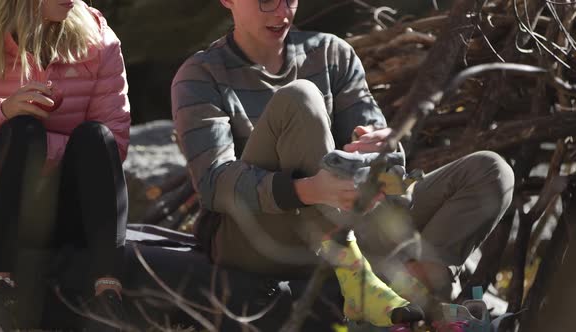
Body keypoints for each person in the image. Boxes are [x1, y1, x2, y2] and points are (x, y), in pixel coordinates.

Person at [171, 0, 515, 328]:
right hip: (255, 234)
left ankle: (422, 295)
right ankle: (419, 299)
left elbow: (385, 159)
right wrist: (305, 190)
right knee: (299, 97)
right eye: (266, 0)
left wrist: (383, 147)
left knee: (490, 171)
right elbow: (214, 184)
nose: (281, 12)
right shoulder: (200, 76)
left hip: (354, 217)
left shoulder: (331, 53)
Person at [0, 1, 130, 331]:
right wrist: (3, 113)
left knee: (96, 136)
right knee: (21, 131)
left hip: (65, 207)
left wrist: (44, 149)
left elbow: (115, 144)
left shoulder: (98, 36)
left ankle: (107, 296)